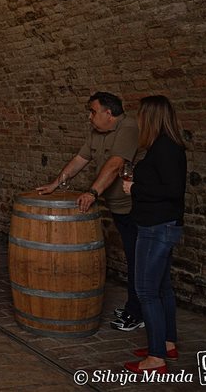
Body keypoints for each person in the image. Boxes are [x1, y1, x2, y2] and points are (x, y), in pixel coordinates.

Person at [37, 91, 142, 331]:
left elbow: (116, 164)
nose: (89, 117)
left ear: (109, 113)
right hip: (118, 207)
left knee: (138, 260)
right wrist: (56, 183)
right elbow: (79, 159)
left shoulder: (128, 127)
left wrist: (93, 193)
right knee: (132, 256)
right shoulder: (98, 133)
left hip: (135, 208)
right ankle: (135, 306)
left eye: (93, 111)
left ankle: (138, 312)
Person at [122, 96, 187, 374]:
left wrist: (134, 189)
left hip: (156, 228)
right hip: (162, 226)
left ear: (151, 117)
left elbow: (173, 191)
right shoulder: (165, 146)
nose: (138, 120)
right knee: (162, 289)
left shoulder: (165, 148)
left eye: (141, 115)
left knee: (146, 291)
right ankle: (167, 342)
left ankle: (156, 357)